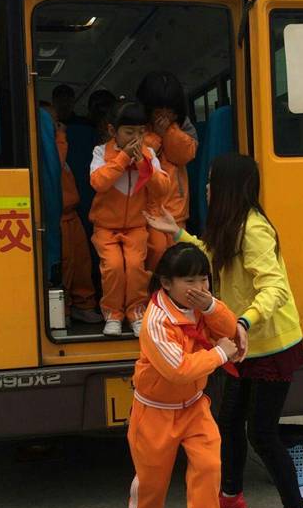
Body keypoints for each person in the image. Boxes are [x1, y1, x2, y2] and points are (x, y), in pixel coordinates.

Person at [144, 154, 303, 508]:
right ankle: (232, 495)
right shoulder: (229, 225)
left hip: (271, 344)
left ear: (227, 187)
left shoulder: (254, 229)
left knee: (262, 433)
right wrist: (179, 234)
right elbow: (213, 253)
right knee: (229, 419)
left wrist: (243, 321)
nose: (206, 188)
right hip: (242, 341)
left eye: (211, 181)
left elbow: (275, 288)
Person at [127, 242, 239, 508]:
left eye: (203, 279)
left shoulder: (202, 304)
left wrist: (213, 306)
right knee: (151, 480)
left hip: (194, 405)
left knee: (209, 466)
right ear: (166, 282)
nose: (199, 288)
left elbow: (229, 329)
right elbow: (178, 370)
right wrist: (219, 354)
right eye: (189, 281)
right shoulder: (155, 321)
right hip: (155, 410)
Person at [89, 101, 169, 337]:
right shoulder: (101, 152)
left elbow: (162, 188)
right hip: (105, 227)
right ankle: (113, 314)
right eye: (129, 132)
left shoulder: (149, 154)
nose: (136, 138)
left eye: (141, 132)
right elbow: (98, 182)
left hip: (136, 226)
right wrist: (123, 159)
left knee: (135, 268)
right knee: (113, 267)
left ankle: (136, 312)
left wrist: (143, 164)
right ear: (113, 131)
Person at [40, 101, 101, 326]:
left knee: (82, 265)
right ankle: (62, 309)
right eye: (53, 123)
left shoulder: (59, 145)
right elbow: (56, 164)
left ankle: (84, 305)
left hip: (72, 215)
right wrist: (59, 136)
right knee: (63, 265)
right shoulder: (48, 148)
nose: (59, 127)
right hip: (57, 217)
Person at [136, 72, 198, 270]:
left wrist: (168, 133)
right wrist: (155, 137)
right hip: (142, 209)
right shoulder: (135, 124)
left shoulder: (183, 125)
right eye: (157, 110)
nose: (163, 116)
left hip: (175, 209)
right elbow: (137, 157)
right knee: (152, 255)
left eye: (169, 111)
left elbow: (184, 155)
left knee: (177, 259)